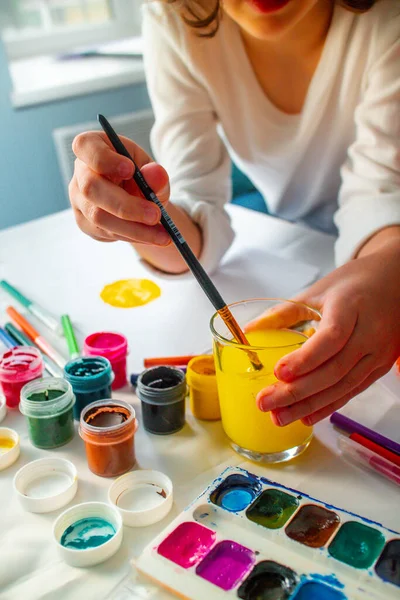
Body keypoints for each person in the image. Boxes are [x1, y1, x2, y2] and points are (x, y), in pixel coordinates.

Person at [69, 0, 400, 429]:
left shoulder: (388, 19)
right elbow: (194, 210)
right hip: (292, 240)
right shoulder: (177, 13)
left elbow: (382, 189)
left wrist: (390, 269)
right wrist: (141, 213)